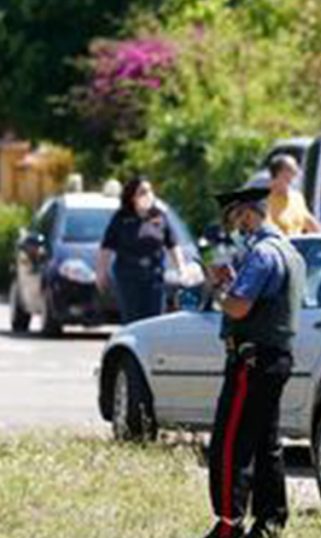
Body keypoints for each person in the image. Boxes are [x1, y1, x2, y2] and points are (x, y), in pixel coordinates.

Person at [203, 185, 306, 538]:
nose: (236, 227)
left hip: (252, 360)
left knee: (231, 442)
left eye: (236, 218)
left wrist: (218, 291)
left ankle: (228, 524)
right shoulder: (289, 250)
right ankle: (270, 522)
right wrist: (233, 284)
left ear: (248, 212)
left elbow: (240, 307)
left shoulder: (261, 254)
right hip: (276, 357)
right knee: (266, 443)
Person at [97, 178, 193, 323]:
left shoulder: (159, 216)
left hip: (154, 275)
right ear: (132, 197)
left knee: (154, 319)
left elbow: (172, 244)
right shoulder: (121, 218)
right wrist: (101, 272)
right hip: (128, 276)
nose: (148, 195)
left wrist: (182, 269)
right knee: (132, 319)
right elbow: (106, 247)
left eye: (149, 191)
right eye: (142, 192)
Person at [266, 155, 321, 236]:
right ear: (278, 173)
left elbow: (309, 222)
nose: (295, 173)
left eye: (296, 169)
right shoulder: (264, 200)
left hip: (299, 246)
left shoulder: (297, 197)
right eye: (290, 169)